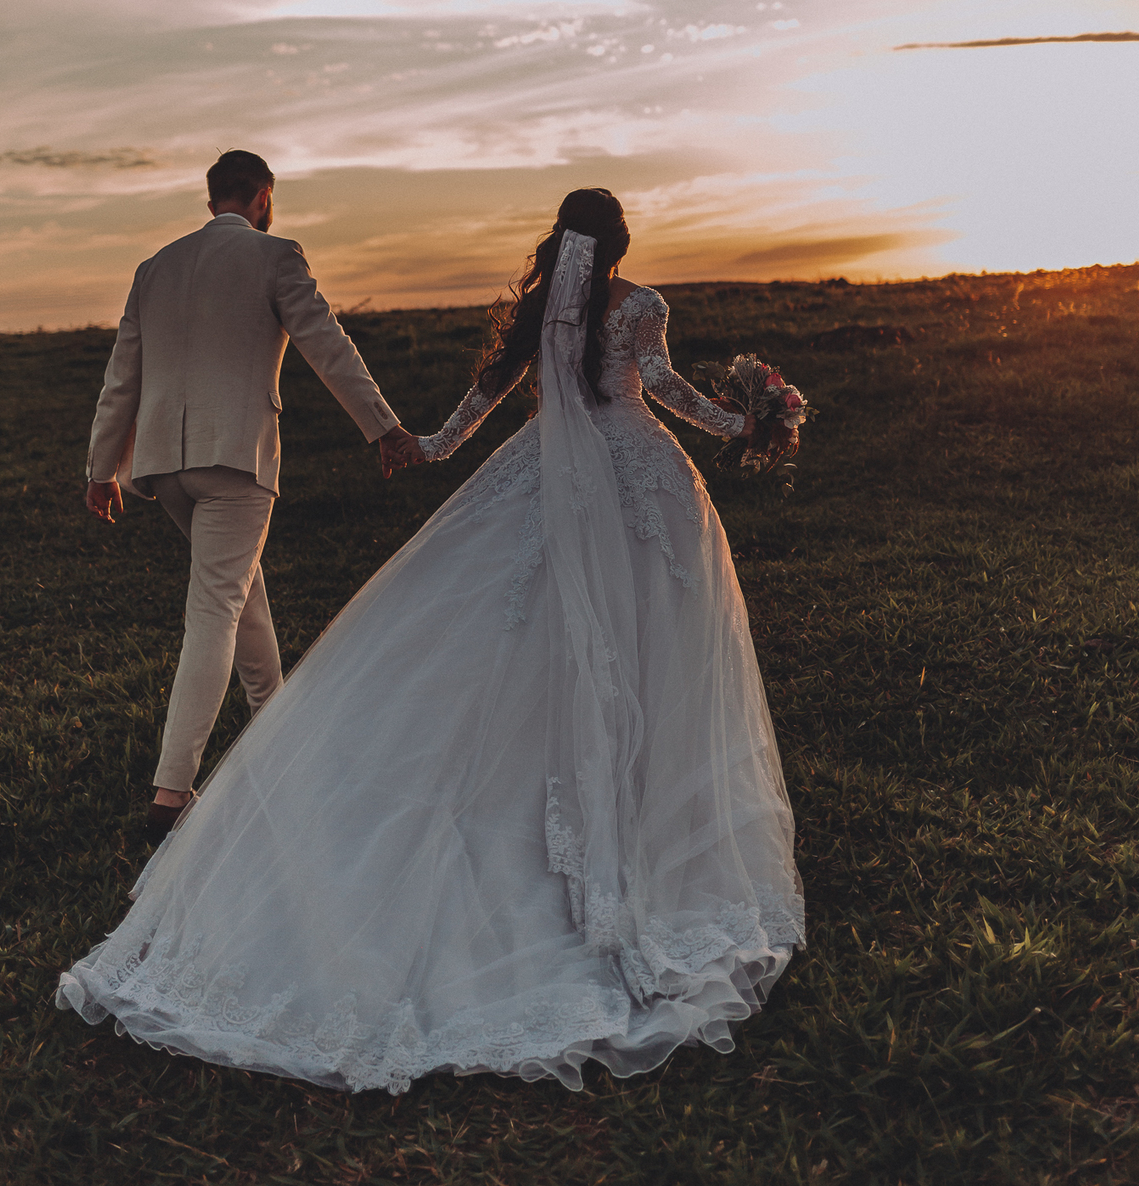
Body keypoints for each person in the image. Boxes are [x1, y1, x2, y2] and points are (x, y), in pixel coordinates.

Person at [59, 188, 804, 1093]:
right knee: (653, 641)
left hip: (538, 474)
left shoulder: (537, 313)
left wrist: (423, 443)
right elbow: (667, 390)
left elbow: (480, 402)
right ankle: (640, 808)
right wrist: (746, 419)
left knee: (516, 634)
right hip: (640, 475)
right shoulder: (640, 307)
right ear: (617, 244)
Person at [83, 149, 417, 839]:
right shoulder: (275, 254)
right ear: (264, 196)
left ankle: (276, 724)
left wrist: (101, 468)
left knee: (238, 589)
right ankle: (171, 793)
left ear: (211, 201)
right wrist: (383, 426)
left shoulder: (155, 268)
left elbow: (123, 374)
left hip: (165, 468)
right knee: (216, 609)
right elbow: (327, 343)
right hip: (237, 461)